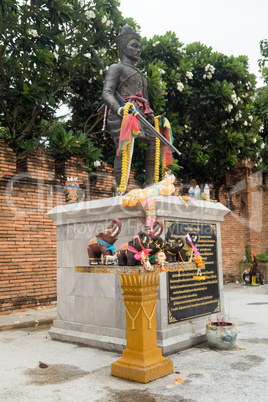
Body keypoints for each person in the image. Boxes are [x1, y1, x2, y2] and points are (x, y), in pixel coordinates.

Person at [102, 24, 155, 188]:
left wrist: (152, 116)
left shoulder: (141, 76)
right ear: (124, 47)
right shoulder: (116, 68)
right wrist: (118, 108)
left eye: (139, 46)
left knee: (154, 140)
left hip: (139, 113)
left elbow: (144, 100)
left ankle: (150, 185)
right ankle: (121, 188)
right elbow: (107, 93)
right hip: (121, 112)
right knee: (123, 146)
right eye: (134, 46)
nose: (138, 50)